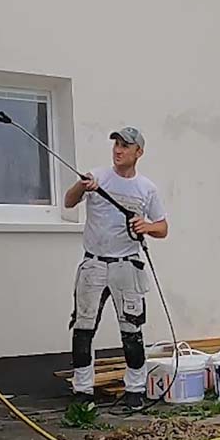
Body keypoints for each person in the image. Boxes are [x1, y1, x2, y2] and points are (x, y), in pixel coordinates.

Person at [63, 127, 168, 411]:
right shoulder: (97, 176)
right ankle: (83, 390)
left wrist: (146, 226)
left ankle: (135, 389)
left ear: (138, 152)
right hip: (94, 264)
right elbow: (68, 201)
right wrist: (80, 186)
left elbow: (162, 227)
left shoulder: (147, 188)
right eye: (116, 145)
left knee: (131, 331)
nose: (118, 150)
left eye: (125, 146)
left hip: (126, 266)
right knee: (83, 329)